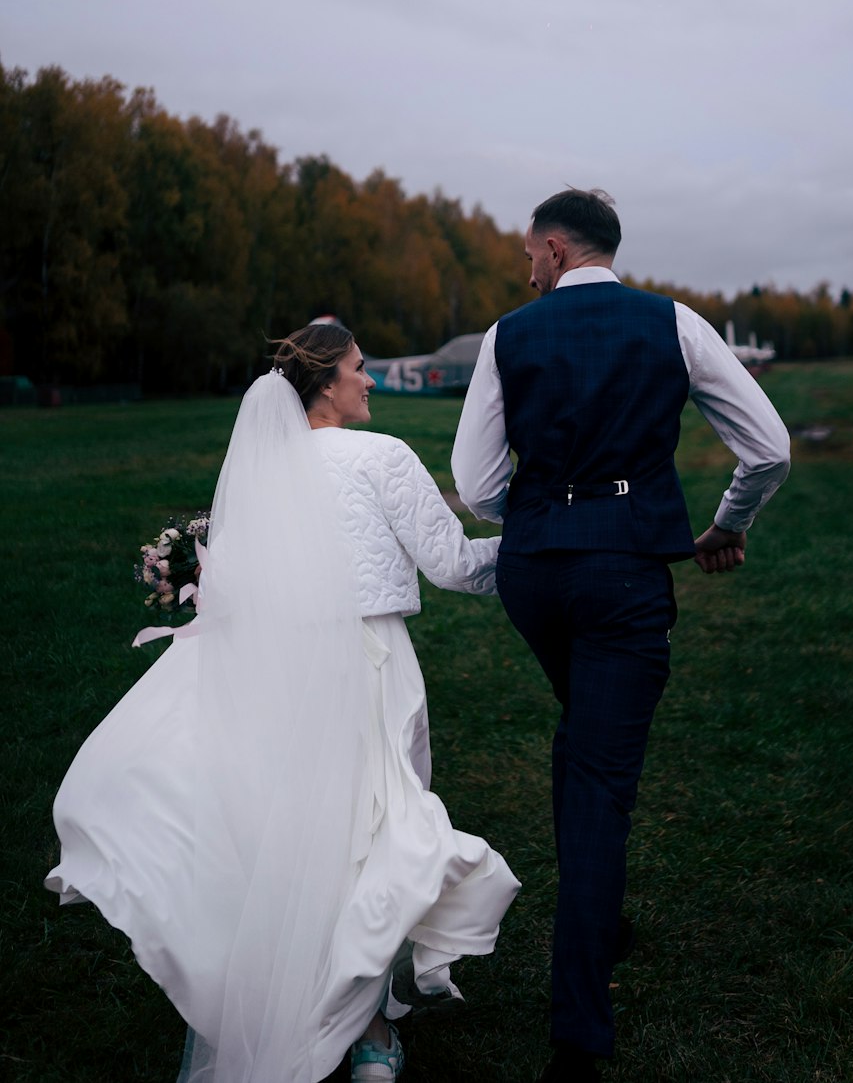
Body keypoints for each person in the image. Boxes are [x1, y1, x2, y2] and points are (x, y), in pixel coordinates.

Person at [47, 321, 519, 1083]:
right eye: (360, 370)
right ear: (326, 384)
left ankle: (344, 1019)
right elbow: (456, 566)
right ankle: (365, 1035)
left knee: (309, 839)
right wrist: (537, 540)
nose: (370, 381)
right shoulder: (383, 456)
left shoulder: (263, 468)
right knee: (372, 833)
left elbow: (235, 585)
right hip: (369, 664)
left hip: (282, 669)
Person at [452, 188, 790, 1082]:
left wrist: (535, 513)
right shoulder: (674, 323)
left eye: (530, 253)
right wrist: (722, 525)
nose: (525, 269)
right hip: (625, 577)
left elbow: (476, 483)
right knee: (602, 781)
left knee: (583, 742)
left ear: (558, 250)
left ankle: (604, 923)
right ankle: (579, 1037)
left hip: (535, 577)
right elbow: (769, 448)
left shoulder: (506, 336)